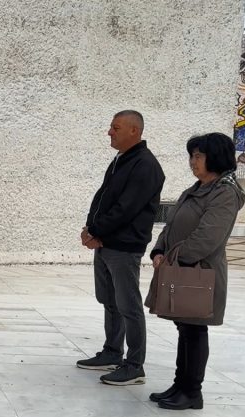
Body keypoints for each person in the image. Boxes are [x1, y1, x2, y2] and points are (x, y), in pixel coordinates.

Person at [146, 133, 245, 410]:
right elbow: (171, 225)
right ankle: (180, 385)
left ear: (216, 157)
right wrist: (158, 250)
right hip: (182, 268)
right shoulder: (197, 188)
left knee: (194, 329)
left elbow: (208, 237)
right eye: (192, 156)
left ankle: (192, 391)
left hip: (200, 272)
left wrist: (174, 258)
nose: (193, 161)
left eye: (199, 156)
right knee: (185, 327)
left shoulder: (225, 192)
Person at [77, 110, 165, 385]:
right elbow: (103, 199)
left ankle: (134, 365)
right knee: (110, 300)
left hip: (124, 247)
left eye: (115, 127)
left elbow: (126, 209)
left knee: (128, 305)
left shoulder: (145, 165)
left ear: (134, 131)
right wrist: (90, 229)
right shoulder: (122, 160)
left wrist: (96, 231)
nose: (109, 132)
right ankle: (112, 352)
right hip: (106, 242)